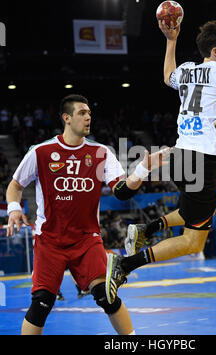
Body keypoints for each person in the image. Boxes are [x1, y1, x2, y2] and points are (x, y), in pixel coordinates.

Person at [105, 19, 216, 304]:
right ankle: (124, 266)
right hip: (201, 159)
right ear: (215, 52)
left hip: (180, 155)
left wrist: (171, 40)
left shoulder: (188, 70)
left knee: (192, 212)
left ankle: (145, 229)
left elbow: (167, 76)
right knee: (193, 241)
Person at [6, 94, 169, 335]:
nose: (88, 117)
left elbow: (122, 192)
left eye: (90, 113)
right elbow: (15, 185)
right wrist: (14, 208)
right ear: (67, 118)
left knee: (107, 296)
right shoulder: (40, 152)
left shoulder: (101, 152)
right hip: (50, 240)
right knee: (41, 303)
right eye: (82, 113)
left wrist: (142, 170)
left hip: (86, 240)